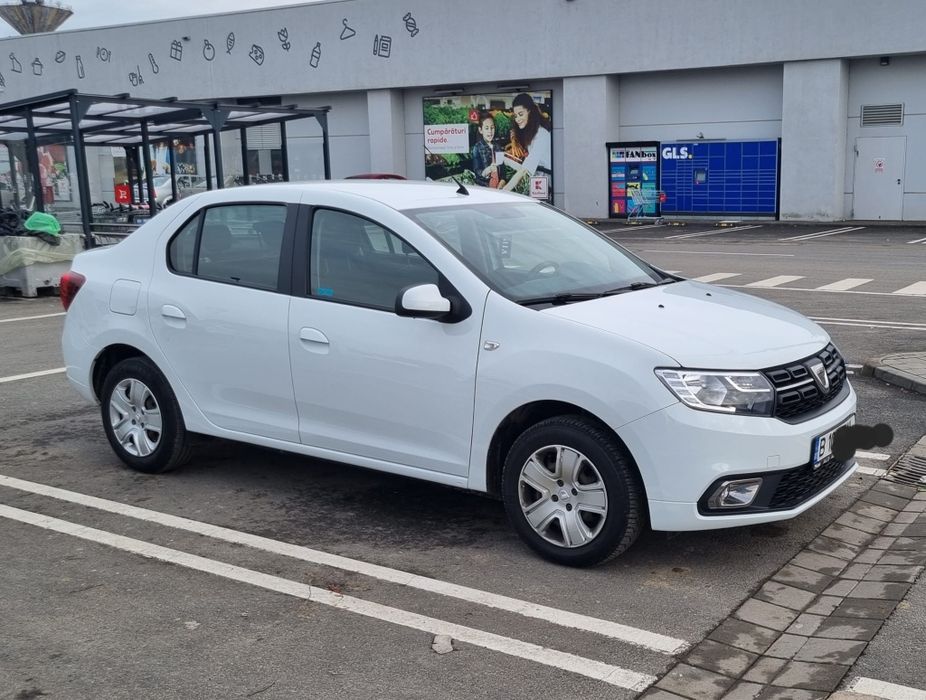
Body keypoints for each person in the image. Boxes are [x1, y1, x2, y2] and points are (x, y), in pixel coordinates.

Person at [502, 93, 552, 193]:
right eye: (515, 116)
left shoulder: (542, 135)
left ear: (530, 112)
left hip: (545, 182)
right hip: (536, 177)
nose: (517, 119)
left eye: (521, 114)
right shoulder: (532, 134)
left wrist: (505, 190)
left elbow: (525, 169)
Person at [470, 112, 503, 188]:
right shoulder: (477, 148)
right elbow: (477, 171)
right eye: (486, 128)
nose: (490, 131)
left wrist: (501, 183)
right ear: (481, 130)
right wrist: (488, 170)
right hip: (485, 189)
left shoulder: (498, 147)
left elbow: (502, 171)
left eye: (492, 127)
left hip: (499, 189)